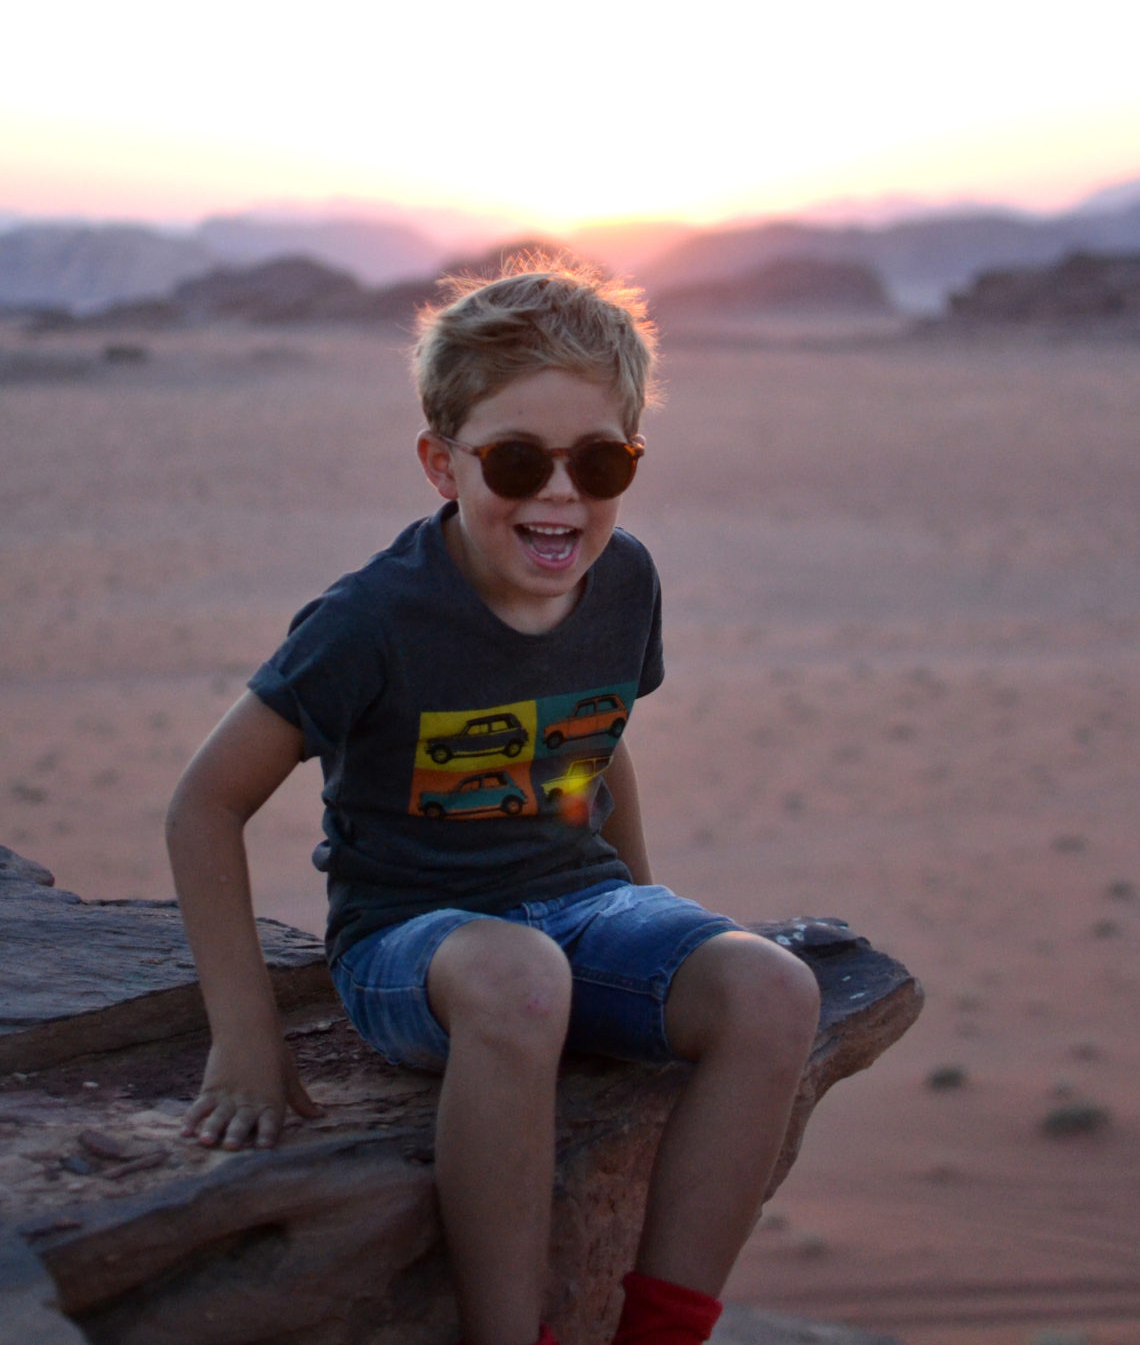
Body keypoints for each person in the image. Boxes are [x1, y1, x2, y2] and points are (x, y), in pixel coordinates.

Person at [166, 258, 820, 1345]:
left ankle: (662, 1329)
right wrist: (244, 1042)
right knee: (521, 979)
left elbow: (594, 743)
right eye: (517, 460)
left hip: (579, 909)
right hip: (416, 947)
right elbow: (203, 805)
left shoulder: (625, 582)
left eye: (601, 460)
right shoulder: (372, 620)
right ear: (442, 464)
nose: (561, 494)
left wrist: (650, 915)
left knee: (772, 989)